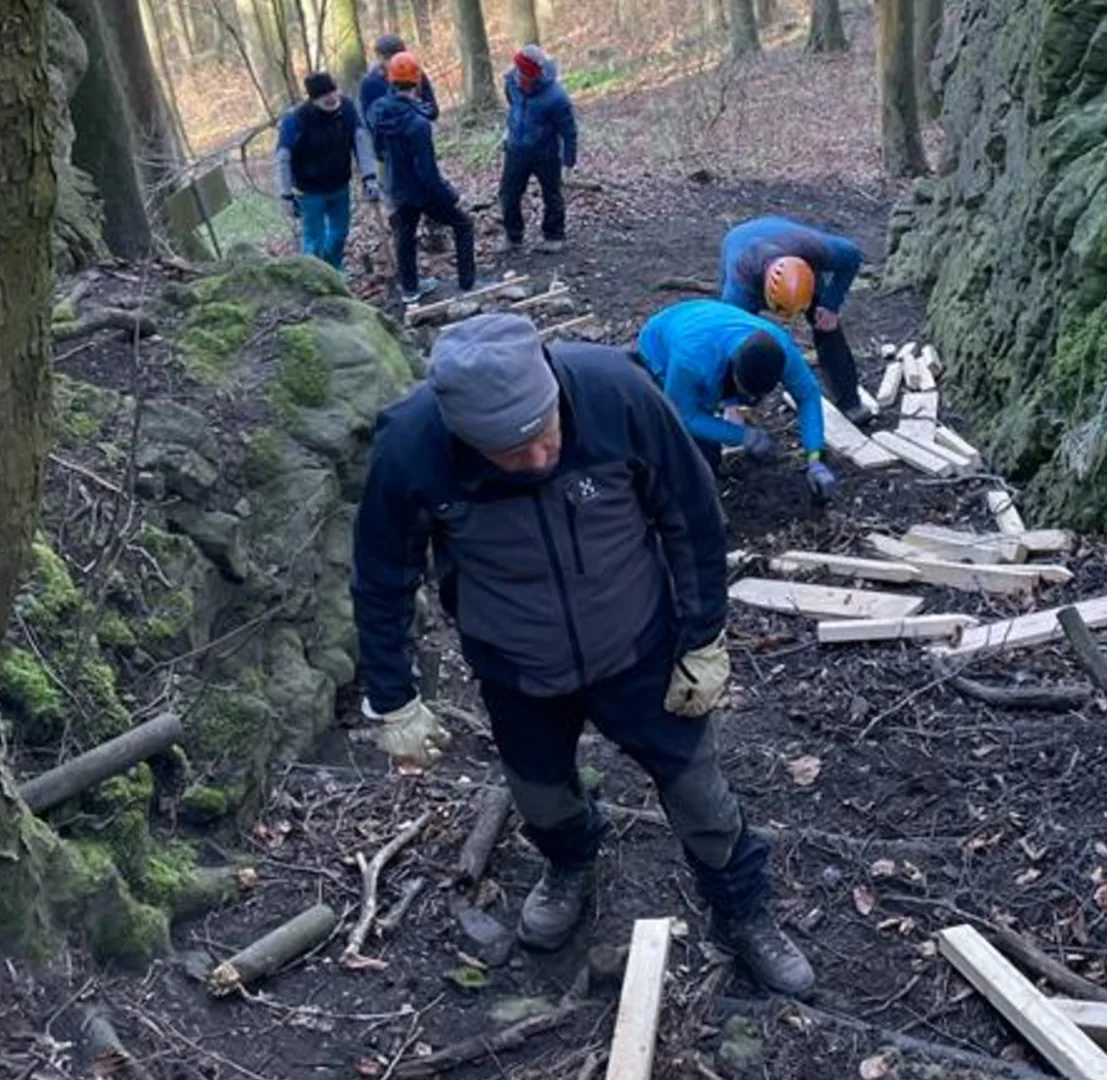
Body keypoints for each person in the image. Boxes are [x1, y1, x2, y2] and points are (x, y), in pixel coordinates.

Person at [350, 313, 816, 997]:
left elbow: (691, 515)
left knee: (699, 790)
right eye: (512, 452)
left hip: (638, 644)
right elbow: (381, 574)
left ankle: (742, 910)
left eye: (545, 435)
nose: (539, 458)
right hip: (516, 664)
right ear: (464, 437)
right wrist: (392, 695)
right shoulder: (414, 448)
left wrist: (704, 636)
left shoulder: (614, 394)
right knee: (539, 794)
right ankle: (570, 863)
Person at [635, 299, 838, 504]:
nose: (753, 402)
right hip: (660, 345)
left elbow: (808, 395)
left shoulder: (781, 347)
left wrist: (815, 458)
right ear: (734, 372)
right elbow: (684, 415)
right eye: (748, 394)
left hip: (710, 327)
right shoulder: (692, 361)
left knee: (710, 433)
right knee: (696, 448)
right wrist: (742, 436)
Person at [718, 216, 867, 424]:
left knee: (825, 324)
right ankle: (739, 402)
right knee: (740, 340)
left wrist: (831, 305)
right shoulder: (740, 289)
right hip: (738, 241)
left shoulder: (817, 250)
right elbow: (723, 342)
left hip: (784, 238)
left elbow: (852, 257)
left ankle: (849, 400)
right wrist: (729, 403)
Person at [366, 52, 475, 304]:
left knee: (405, 236)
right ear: (417, 81)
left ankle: (410, 289)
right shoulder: (417, 124)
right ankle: (467, 283)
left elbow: (379, 151)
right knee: (463, 224)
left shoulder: (378, 112)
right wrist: (447, 195)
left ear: (390, 80)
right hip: (419, 190)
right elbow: (427, 170)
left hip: (395, 185)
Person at [274, 73, 379, 273]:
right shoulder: (296, 120)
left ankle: (333, 270)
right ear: (313, 99)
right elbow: (283, 158)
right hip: (309, 191)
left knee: (339, 234)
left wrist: (370, 177)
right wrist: (285, 195)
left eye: (332, 91)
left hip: (340, 185)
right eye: (323, 95)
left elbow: (361, 141)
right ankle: (314, 278)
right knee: (314, 240)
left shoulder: (347, 108)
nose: (330, 98)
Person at [497, 44, 579, 254]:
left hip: (546, 153)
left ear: (536, 74)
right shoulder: (511, 82)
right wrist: (511, 129)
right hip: (516, 149)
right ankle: (513, 235)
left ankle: (554, 235)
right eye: (517, 71)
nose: (518, 77)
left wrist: (568, 163)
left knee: (552, 194)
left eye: (524, 74)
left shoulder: (557, 97)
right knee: (508, 194)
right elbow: (513, 104)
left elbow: (569, 132)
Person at [358, 33, 438, 134]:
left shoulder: (415, 73)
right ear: (379, 58)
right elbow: (370, 122)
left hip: (417, 135)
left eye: (400, 57)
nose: (395, 63)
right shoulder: (370, 83)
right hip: (389, 143)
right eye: (389, 59)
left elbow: (433, 110)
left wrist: (415, 113)